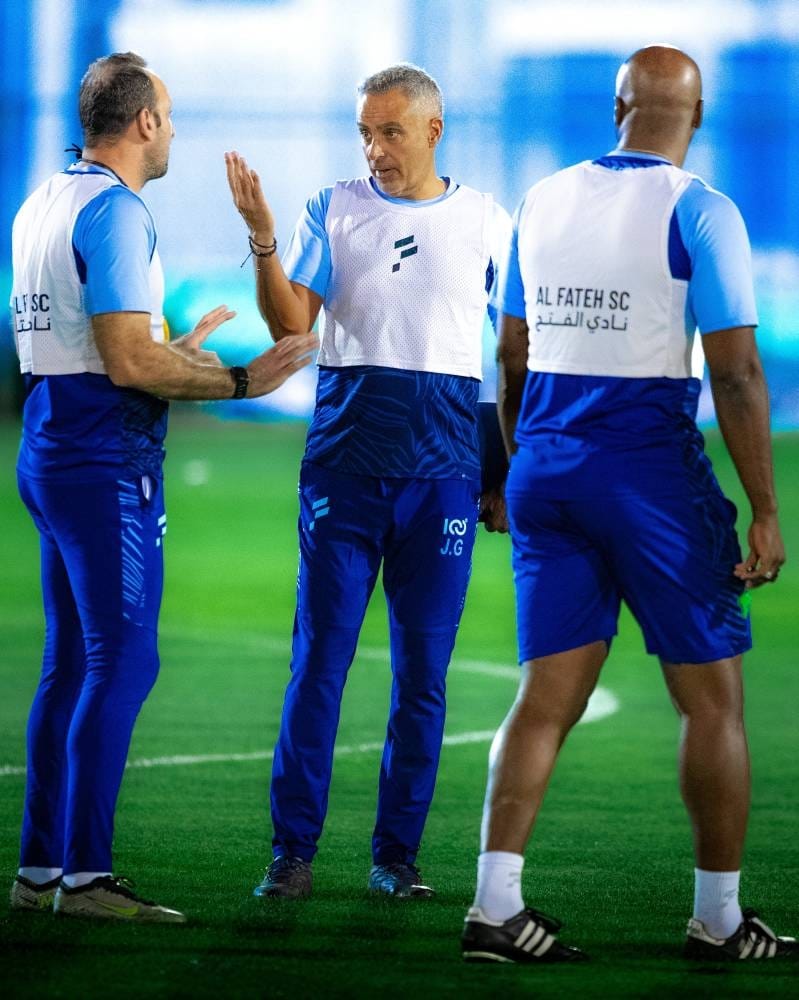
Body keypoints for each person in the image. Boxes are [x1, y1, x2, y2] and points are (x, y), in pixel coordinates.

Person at [462, 44, 796, 963]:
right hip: (648, 475)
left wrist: (516, 467)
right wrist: (764, 509)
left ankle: (494, 908)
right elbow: (735, 371)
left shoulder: (542, 199)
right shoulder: (701, 210)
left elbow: (511, 355)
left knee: (543, 699)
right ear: (699, 116)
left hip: (545, 467)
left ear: (616, 108)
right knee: (712, 704)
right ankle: (718, 921)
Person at [8, 52, 316, 923]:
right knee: (123, 660)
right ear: (144, 121)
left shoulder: (43, 200)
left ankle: (41, 871)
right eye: (169, 116)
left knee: (71, 664)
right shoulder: (116, 210)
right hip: (102, 461)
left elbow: (88, 349)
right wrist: (247, 380)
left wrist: (170, 352)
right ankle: (85, 877)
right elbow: (125, 364)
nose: (173, 130)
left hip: (52, 442)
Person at [226, 63, 510, 899]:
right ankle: (292, 854)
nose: (374, 148)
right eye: (364, 133)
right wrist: (263, 240)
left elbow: (511, 352)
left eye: (389, 131)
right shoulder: (333, 208)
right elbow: (291, 325)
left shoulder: (486, 221)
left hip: (443, 479)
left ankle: (396, 858)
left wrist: (500, 470)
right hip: (343, 476)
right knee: (318, 665)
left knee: (422, 678)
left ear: (432, 130)